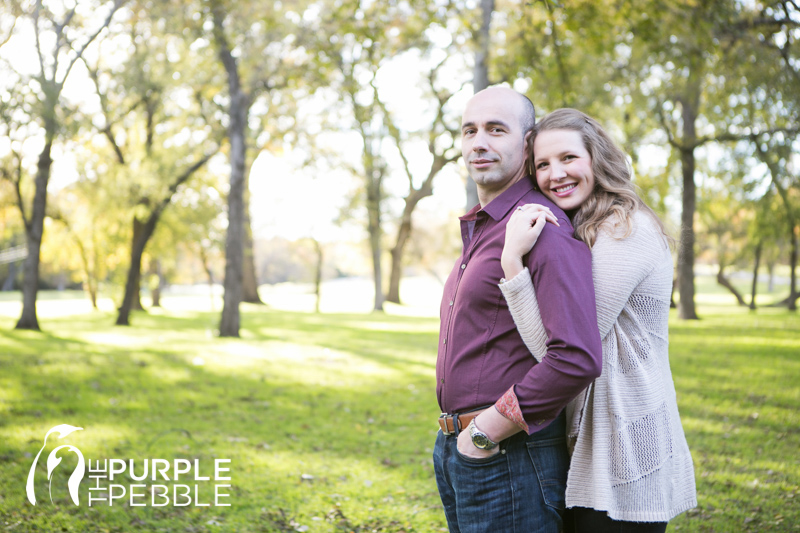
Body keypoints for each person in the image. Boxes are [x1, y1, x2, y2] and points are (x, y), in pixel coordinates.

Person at [499, 108, 697, 532]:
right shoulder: (584, 228)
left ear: (596, 159)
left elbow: (561, 350)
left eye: (568, 158)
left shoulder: (625, 229)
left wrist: (512, 263)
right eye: (543, 164)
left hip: (628, 445)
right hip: (593, 441)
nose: (556, 174)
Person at [432, 86, 603, 533]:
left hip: (508, 455)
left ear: (526, 145)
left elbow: (576, 356)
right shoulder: (490, 228)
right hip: (463, 448)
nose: (479, 142)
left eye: (496, 129)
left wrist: (485, 431)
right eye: (469, 130)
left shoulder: (538, 225)